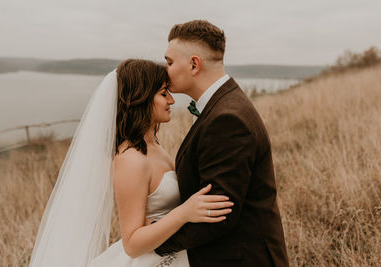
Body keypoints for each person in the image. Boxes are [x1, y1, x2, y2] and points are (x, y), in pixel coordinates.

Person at [29, 58, 233, 267]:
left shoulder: (152, 145)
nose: (171, 100)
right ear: (141, 98)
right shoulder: (131, 159)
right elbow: (132, 244)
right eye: (163, 93)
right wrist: (183, 213)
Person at [154, 20, 289, 266]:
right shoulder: (223, 104)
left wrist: (152, 243)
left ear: (194, 64)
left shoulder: (227, 119)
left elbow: (218, 216)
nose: (165, 70)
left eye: (170, 62)